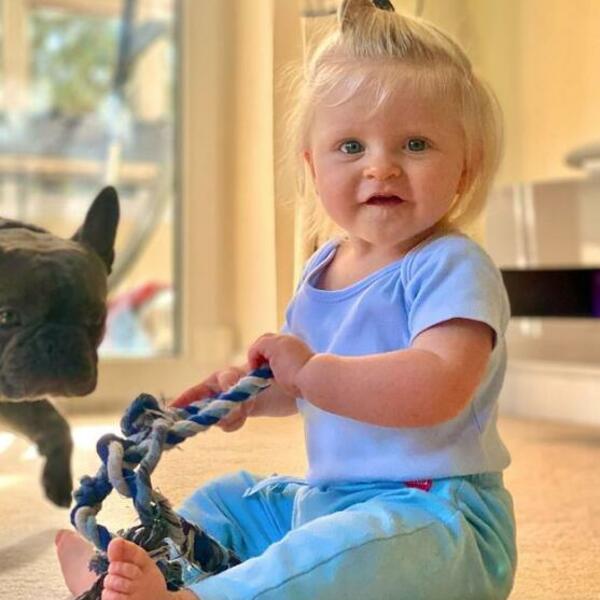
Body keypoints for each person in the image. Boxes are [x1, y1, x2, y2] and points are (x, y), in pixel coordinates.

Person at [55, 0, 517, 598]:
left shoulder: (452, 265)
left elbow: (437, 386)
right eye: (350, 146)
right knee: (233, 499)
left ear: (465, 166)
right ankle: (142, 568)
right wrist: (246, 393)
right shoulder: (322, 269)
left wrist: (311, 371)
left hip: (438, 521)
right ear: (312, 167)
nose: (381, 168)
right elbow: (303, 387)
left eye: (415, 143)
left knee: (334, 550)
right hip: (335, 501)